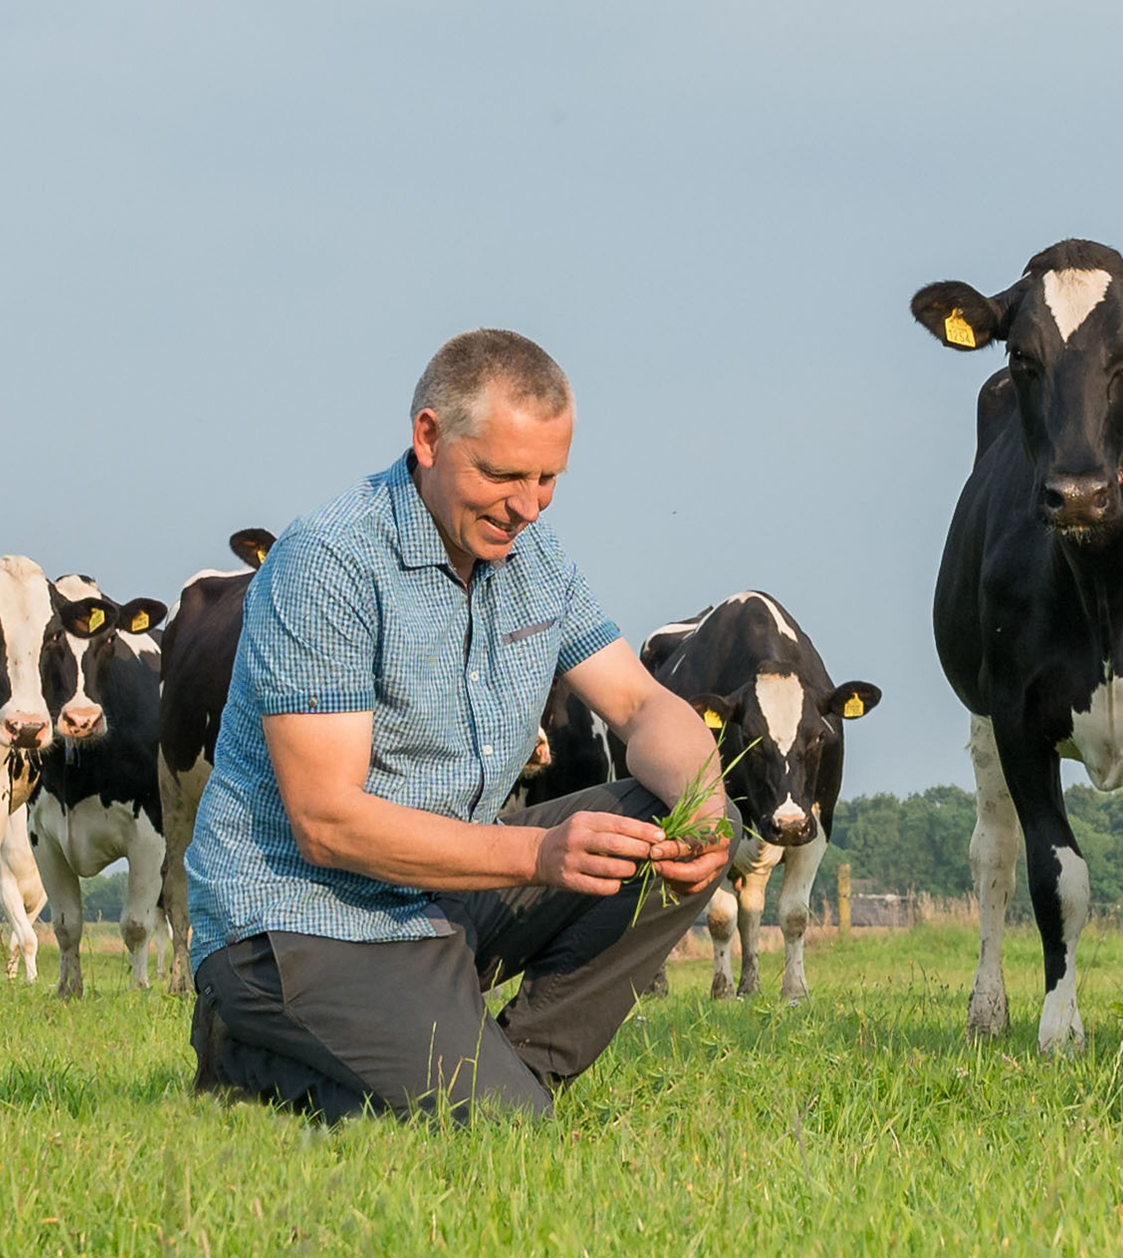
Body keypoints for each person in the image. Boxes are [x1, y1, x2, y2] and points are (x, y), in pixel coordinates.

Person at [185, 329, 733, 1122]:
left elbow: (643, 705)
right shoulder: (330, 561)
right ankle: (249, 1041)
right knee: (497, 1127)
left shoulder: (534, 558)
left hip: (439, 895)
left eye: (548, 477)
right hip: (300, 923)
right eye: (502, 473)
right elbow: (325, 822)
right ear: (429, 437)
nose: (527, 504)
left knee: (668, 823)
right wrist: (538, 852)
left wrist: (705, 805)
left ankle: (522, 1072)